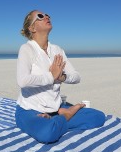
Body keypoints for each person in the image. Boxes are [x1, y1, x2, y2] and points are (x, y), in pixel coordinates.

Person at [15, 10, 105, 143]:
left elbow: (76, 77)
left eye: (47, 15)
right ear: (32, 28)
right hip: (30, 111)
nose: (46, 17)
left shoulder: (57, 50)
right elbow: (22, 81)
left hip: (56, 109)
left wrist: (61, 77)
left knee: (98, 117)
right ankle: (64, 117)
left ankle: (57, 120)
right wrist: (51, 76)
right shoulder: (27, 49)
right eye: (40, 16)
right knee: (47, 134)